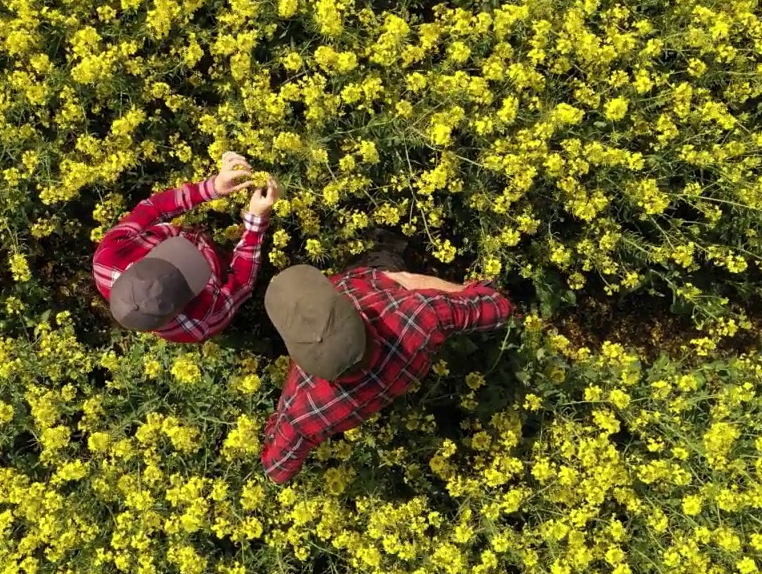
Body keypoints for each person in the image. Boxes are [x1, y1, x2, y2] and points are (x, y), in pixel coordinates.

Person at [259, 230, 512, 483]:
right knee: (381, 259)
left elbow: (276, 471)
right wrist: (451, 292)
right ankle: (393, 239)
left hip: (375, 392)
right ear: (348, 308)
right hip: (403, 336)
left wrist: (277, 424)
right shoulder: (418, 314)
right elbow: (498, 305)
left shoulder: (303, 411)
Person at [93, 152, 281, 343]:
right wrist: (256, 224)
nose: (188, 254)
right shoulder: (200, 323)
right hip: (220, 261)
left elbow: (153, 209)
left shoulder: (108, 259)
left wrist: (211, 188)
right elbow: (241, 283)